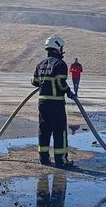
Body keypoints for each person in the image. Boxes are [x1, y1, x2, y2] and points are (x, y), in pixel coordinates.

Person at [31, 35, 75, 168]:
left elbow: (34, 82)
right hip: (56, 104)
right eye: (62, 47)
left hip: (42, 103)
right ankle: (61, 160)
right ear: (57, 47)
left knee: (43, 130)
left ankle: (43, 158)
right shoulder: (60, 64)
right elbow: (61, 83)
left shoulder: (41, 64)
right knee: (59, 131)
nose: (63, 50)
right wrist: (68, 91)